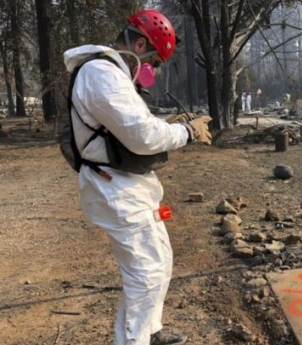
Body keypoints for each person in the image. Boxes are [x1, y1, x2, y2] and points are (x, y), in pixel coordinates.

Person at [63, 9, 210, 345]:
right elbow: (141, 136)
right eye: (154, 61)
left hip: (130, 185)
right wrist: (185, 132)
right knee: (143, 274)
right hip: (114, 187)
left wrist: (168, 124)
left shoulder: (112, 74)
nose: (152, 70)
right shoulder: (100, 72)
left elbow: (131, 123)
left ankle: (150, 331)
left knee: (160, 258)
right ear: (140, 43)